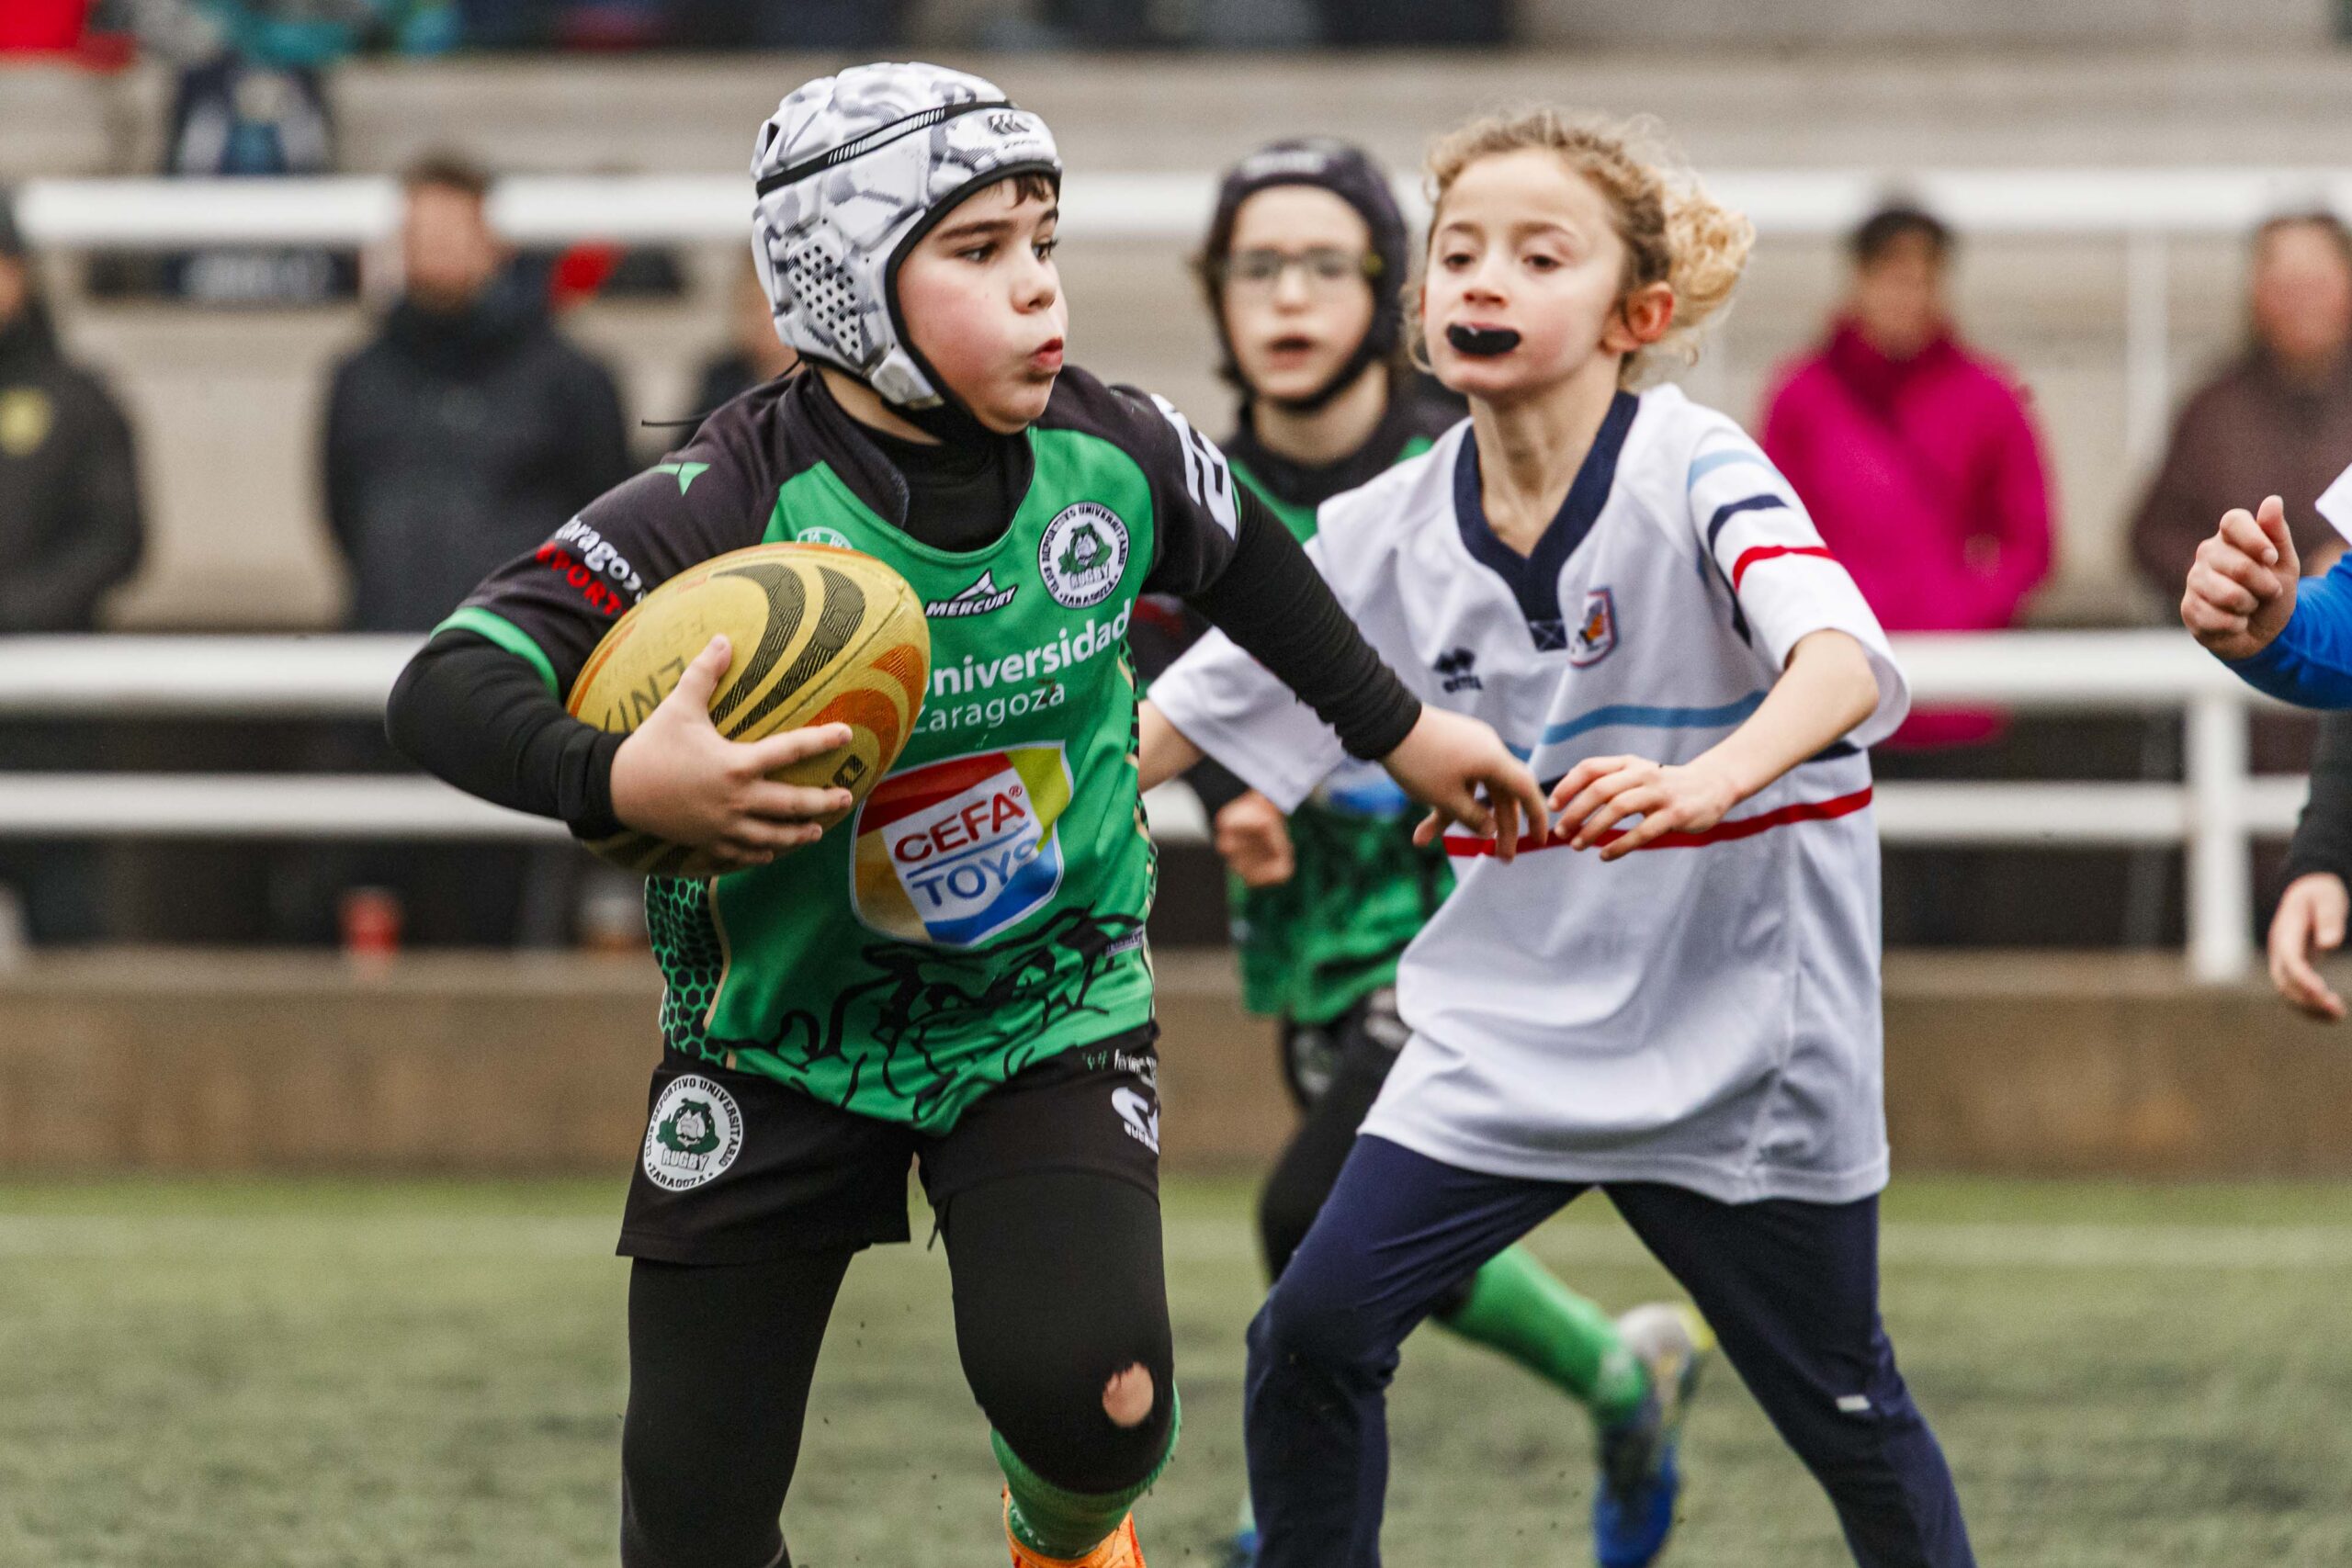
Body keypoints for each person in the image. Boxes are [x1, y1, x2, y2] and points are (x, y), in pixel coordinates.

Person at [385, 62, 1543, 1568]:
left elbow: (1254, 560)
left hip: (1043, 1005)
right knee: (692, 1518)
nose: (1039, 287)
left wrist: (1407, 730)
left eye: (1044, 243)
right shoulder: (723, 501)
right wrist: (617, 782)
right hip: (776, 1040)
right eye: (980, 250)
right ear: (843, 284)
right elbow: (448, 681)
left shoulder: (1114, 449)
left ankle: (1064, 1538)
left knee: (1104, 1408)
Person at [1141, 107, 1975, 1568]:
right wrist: (959, 810)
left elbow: (1843, 664)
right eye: (1461, 250)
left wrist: (1710, 780)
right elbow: (1164, 725)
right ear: (1423, 303)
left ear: (1635, 315)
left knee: (1850, 1411)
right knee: (1313, 1331)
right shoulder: (1385, 527)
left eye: (1540, 254)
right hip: (1511, 1025)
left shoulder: (1696, 465)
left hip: (1748, 1036)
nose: (1486, 277)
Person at [1156, 138, 1707, 1568]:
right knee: (1384, 1219)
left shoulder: (1461, 450)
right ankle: (1616, 1369)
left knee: (1313, 1208)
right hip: (1309, 920)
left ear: (1389, 289)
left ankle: (1295, 1516)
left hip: (1456, 899)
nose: (1288, 296)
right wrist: (1224, 786)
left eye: (1324, 264)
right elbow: (1186, 687)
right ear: (1213, 295)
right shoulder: (1186, 488)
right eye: (1255, 267)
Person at [314, 152, 629, 947]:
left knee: (505, 908)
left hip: (523, 679)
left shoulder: (571, 378)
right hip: (388, 674)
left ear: (494, 241)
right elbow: (341, 509)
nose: (435, 249)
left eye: (452, 229)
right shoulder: (358, 377)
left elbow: (604, 517)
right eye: (419, 231)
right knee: (382, 889)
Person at [1759, 204, 2051, 750]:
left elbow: (2030, 540)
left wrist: (1959, 615)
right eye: (1892, 278)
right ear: (1859, 281)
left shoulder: (1989, 397)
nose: (1906, 298)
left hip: (1955, 696)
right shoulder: (1801, 399)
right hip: (1839, 690)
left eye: (1921, 280)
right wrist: (1831, 621)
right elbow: (1773, 533)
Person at [0, 189, 147, 943]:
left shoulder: (79, 399)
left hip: (51, 711)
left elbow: (118, 537)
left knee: (66, 926)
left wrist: (19, 612)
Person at [2134, 213, 2352, 595]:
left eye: (2316, 285)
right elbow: (2155, 536)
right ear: (2256, 295)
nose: (2302, 304)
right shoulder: (2213, 412)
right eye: (2285, 288)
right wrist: (2231, 573)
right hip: (2242, 621)